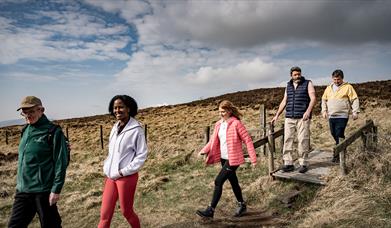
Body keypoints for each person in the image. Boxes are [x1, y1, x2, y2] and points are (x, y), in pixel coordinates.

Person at [8, 96, 69, 228]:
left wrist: (56, 189)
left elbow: (61, 162)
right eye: (25, 112)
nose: (28, 115)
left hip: (44, 191)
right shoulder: (25, 130)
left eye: (31, 111)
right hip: (23, 191)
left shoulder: (53, 131)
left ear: (41, 110)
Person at [196, 100, 257, 218]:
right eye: (219, 112)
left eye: (223, 111)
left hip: (233, 159)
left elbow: (248, 140)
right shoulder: (218, 124)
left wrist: (253, 159)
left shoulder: (236, 124)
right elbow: (213, 140)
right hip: (224, 159)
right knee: (233, 182)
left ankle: (210, 210)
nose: (221, 114)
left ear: (229, 111)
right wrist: (204, 150)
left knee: (218, 181)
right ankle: (242, 204)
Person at [98, 95, 147, 228]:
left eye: (121, 107)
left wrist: (122, 172)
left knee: (127, 212)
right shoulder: (115, 127)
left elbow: (141, 156)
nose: (117, 110)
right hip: (111, 176)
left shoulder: (137, 129)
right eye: (115, 108)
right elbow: (112, 152)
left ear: (129, 108)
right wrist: (106, 166)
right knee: (104, 215)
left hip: (127, 177)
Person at [271, 66, 316, 173]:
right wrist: (277, 115)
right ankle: (288, 163)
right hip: (289, 117)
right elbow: (284, 101)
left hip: (302, 118)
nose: (297, 76)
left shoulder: (308, 83)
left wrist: (308, 112)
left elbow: (313, 98)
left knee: (303, 140)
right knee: (288, 139)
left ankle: (303, 163)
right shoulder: (288, 85)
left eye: (299, 74)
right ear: (291, 75)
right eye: (295, 75)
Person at [321, 69, 359, 162]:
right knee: (333, 133)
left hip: (342, 115)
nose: (336, 81)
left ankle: (337, 155)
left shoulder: (348, 87)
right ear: (332, 78)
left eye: (338, 79)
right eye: (334, 79)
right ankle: (342, 146)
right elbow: (324, 100)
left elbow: (354, 99)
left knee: (339, 134)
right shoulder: (329, 88)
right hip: (331, 115)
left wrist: (355, 112)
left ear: (342, 78)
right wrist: (324, 111)